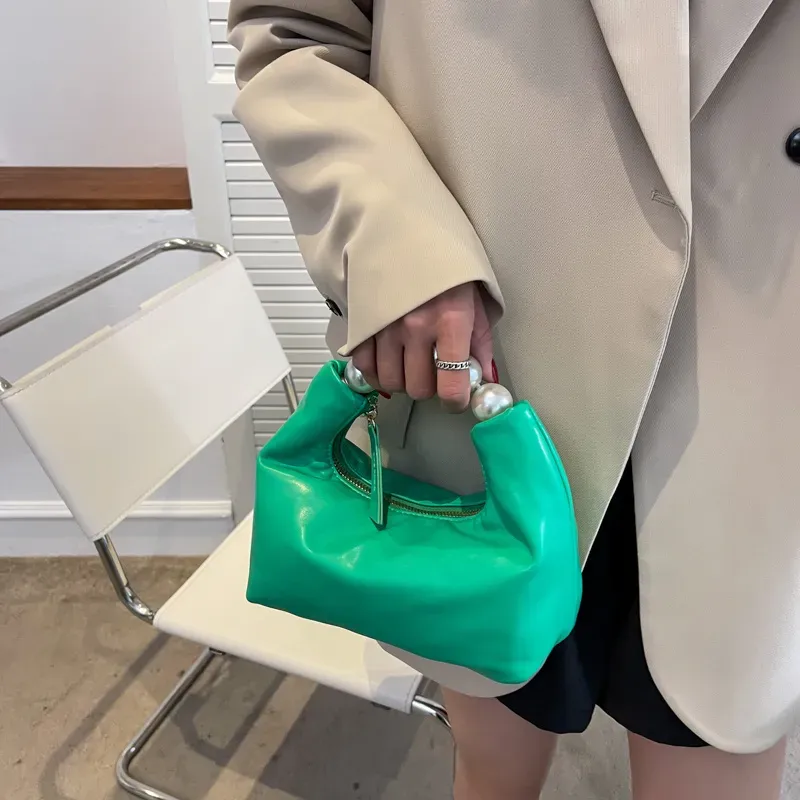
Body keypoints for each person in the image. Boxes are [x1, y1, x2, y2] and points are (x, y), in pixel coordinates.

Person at [228, 1, 800, 797]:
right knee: (493, 765)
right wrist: (394, 239)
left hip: (763, 389)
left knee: (719, 736)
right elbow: (293, 31)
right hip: (502, 371)